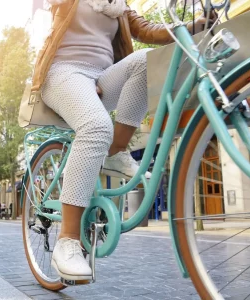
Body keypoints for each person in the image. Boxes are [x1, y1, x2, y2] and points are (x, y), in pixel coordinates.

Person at [35, 0, 213, 280]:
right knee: (96, 127)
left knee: (145, 62)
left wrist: (194, 26)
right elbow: (39, 25)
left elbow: (148, 30)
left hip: (102, 77)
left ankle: (116, 151)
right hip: (63, 73)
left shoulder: (116, 4)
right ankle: (67, 241)